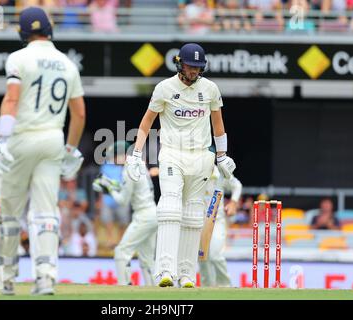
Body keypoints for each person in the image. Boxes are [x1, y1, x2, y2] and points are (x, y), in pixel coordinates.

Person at [0, 6, 86, 296]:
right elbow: (79, 113)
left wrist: (3, 137)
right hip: (53, 139)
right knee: (46, 212)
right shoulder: (67, 64)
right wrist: (71, 148)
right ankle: (45, 277)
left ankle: (6, 277)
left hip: (21, 138)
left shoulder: (18, 58)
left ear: (23, 32)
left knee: (9, 211)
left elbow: (12, 98)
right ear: (49, 30)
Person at [125, 43, 236, 288]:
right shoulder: (164, 88)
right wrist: (135, 154)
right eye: (189, 66)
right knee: (170, 207)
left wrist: (222, 155)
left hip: (201, 157)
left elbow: (218, 125)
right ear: (179, 64)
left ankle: (186, 274)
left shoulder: (210, 89)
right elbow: (146, 124)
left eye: (198, 67)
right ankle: (164, 270)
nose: (194, 71)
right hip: (173, 154)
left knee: (194, 215)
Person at [93, 141, 158, 286]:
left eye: (114, 156)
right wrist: (111, 185)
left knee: (121, 252)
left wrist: (109, 189)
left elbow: (123, 200)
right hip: (152, 213)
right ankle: (154, 291)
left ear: (122, 155)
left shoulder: (128, 169)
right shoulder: (140, 164)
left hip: (144, 216)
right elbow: (130, 189)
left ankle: (124, 287)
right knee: (147, 258)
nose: (112, 160)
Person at [199, 165, 242, 287]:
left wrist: (233, 202)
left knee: (215, 255)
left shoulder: (221, 173)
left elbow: (237, 185)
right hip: (198, 222)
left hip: (217, 221)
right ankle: (206, 289)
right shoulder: (194, 169)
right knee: (203, 259)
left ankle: (225, 286)